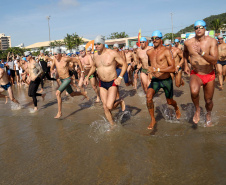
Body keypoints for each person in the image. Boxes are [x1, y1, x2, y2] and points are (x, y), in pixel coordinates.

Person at [84, 35, 127, 127]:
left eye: (98, 44)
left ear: (103, 43)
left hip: (112, 82)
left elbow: (124, 64)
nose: (96, 46)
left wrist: (120, 77)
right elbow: (94, 67)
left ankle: (120, 101)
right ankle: (112, 125)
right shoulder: (95, 55)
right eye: (95, 44)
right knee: (105, 107)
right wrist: (87, 77)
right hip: (102, 83)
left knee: (110, 106)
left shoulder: (112, 53)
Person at [184, 20, 218, 126]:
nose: (198, 29)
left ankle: (208, 114)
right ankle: (197, 109)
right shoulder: (188, 43)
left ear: (205, 28)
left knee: (208, 101)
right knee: (194, 92)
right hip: (196, 73)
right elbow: (185, 53)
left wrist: (202, 53)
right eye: (196, 27)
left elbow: (214, 61)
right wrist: (185, 64)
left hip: (209, 74)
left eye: (201, 27)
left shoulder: (212, 41)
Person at [146, 30, 181, 130]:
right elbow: (150, 64)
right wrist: (149, 72)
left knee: (169, 102)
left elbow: (172, 68)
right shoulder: (149, 52)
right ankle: (153, 119)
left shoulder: (166, 51)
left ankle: (176, 107)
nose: (154, 40)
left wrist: (157, 69)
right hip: (155, 80)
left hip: (166, 80)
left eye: (156, 38)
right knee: (148, 97)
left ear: (160, 39)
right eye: (153, 38)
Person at [50, 48, 88, 119]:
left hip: (67, 79)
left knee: (58, 93)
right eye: (53, 54)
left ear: (60, 54)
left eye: (56, 54)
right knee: (72, 94)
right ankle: (83, 93)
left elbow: (77, 60)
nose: (54, 56)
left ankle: (59, 112)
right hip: (62, 79)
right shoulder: (55, 60)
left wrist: (82, 71)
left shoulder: (65, 59)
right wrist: (53, 70)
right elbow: (51, 68)